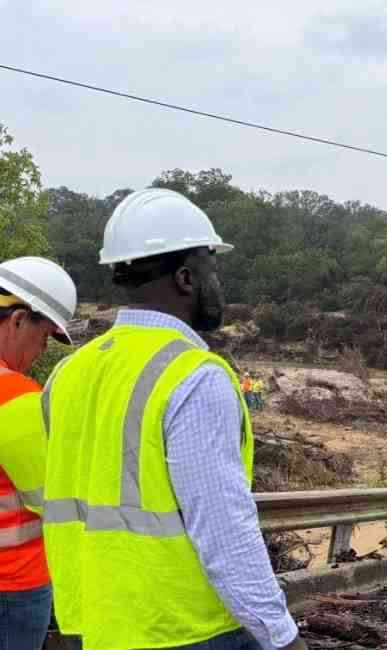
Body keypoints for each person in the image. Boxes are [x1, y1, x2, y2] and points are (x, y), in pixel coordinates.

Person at [40, 188, 306, 650]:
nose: (218, 284)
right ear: (186, 277)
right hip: (183, 631)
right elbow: (224, 529)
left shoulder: (67, 373)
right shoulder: (192, 376)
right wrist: (282, 637)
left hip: (92, 626)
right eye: (212, 268)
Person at [0, 256, 76, 650]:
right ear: (16, 321)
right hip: (12, 584)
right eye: (44, 336)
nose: (43, 350)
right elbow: (54, 497)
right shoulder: (14, 395)